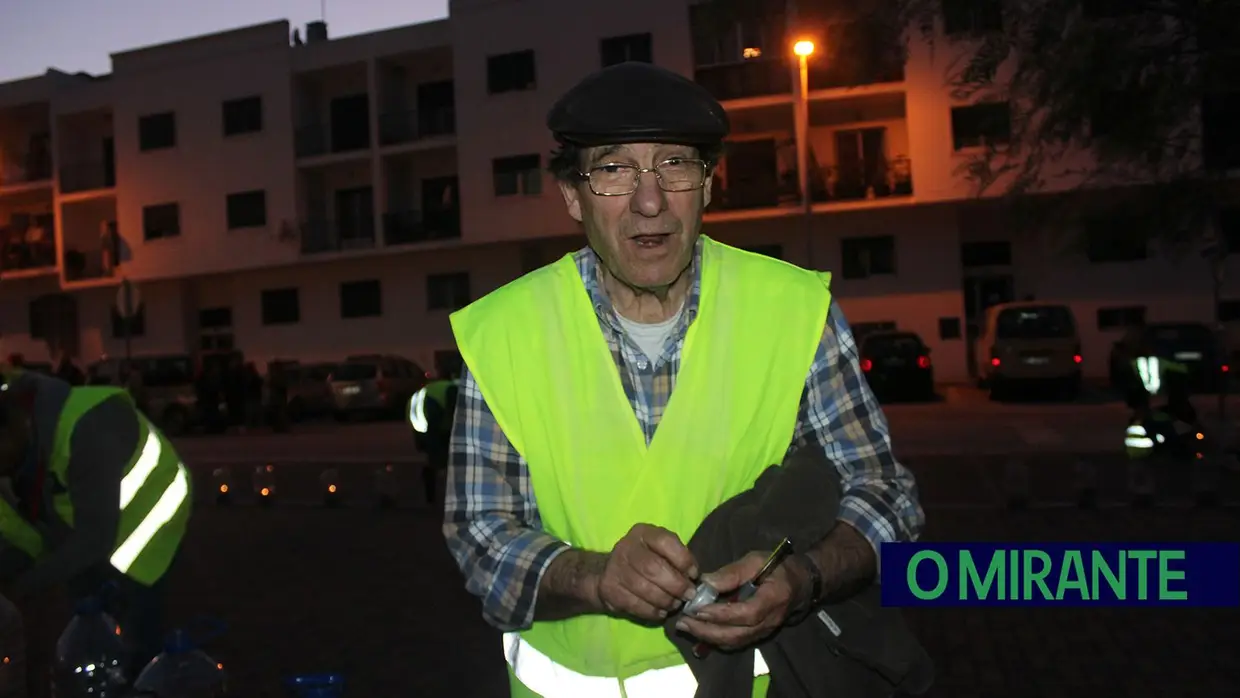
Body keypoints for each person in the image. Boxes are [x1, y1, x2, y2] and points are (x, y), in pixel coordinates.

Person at [441, 61, 924, 697]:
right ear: (571, 195)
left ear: (708, 184)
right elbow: (480, 534)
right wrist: (593, 577)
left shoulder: (792, 311)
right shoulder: (504, 332)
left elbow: (887, 493)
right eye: (613, 170)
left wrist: (800, 580)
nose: (650, 201)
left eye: (675, 164)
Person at [0, 362, 192, 685]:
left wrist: (23, 586)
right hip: (90, 523)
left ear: (15, 426)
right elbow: (36, 527)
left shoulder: (88, 429)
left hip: (149, 518)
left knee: (135, 633)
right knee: (88, 622)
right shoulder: (26, 434)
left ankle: (142, 678)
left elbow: (94, 540)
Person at [408, 374, 460, 505]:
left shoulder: (427, 391)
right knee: (442, 461)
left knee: (435, 461)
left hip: (420, 424)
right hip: (433, 423)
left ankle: (431, 496)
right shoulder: (452, 390)